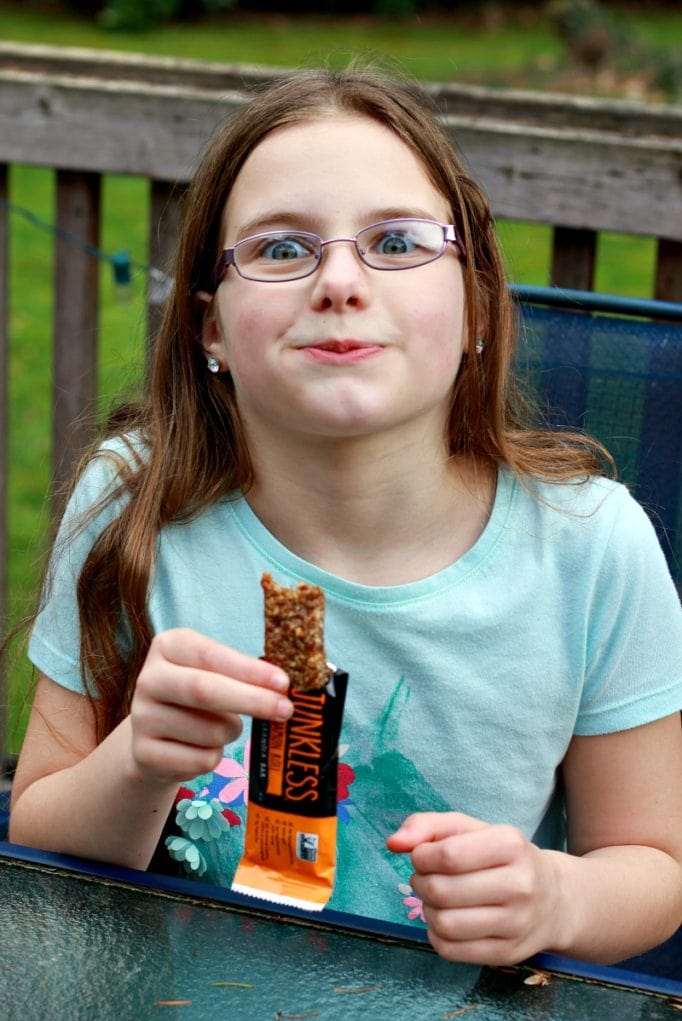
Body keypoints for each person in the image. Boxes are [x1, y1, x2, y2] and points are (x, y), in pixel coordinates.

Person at [9, 66, 682, 968]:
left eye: (396, 242)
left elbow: (654, 865)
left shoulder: (591, 550)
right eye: (282, 249)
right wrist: (137, 764)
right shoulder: (133, 504)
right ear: (212, 329)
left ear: (476, 304)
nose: (338, 281)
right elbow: (37, 833)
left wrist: (557, 898)